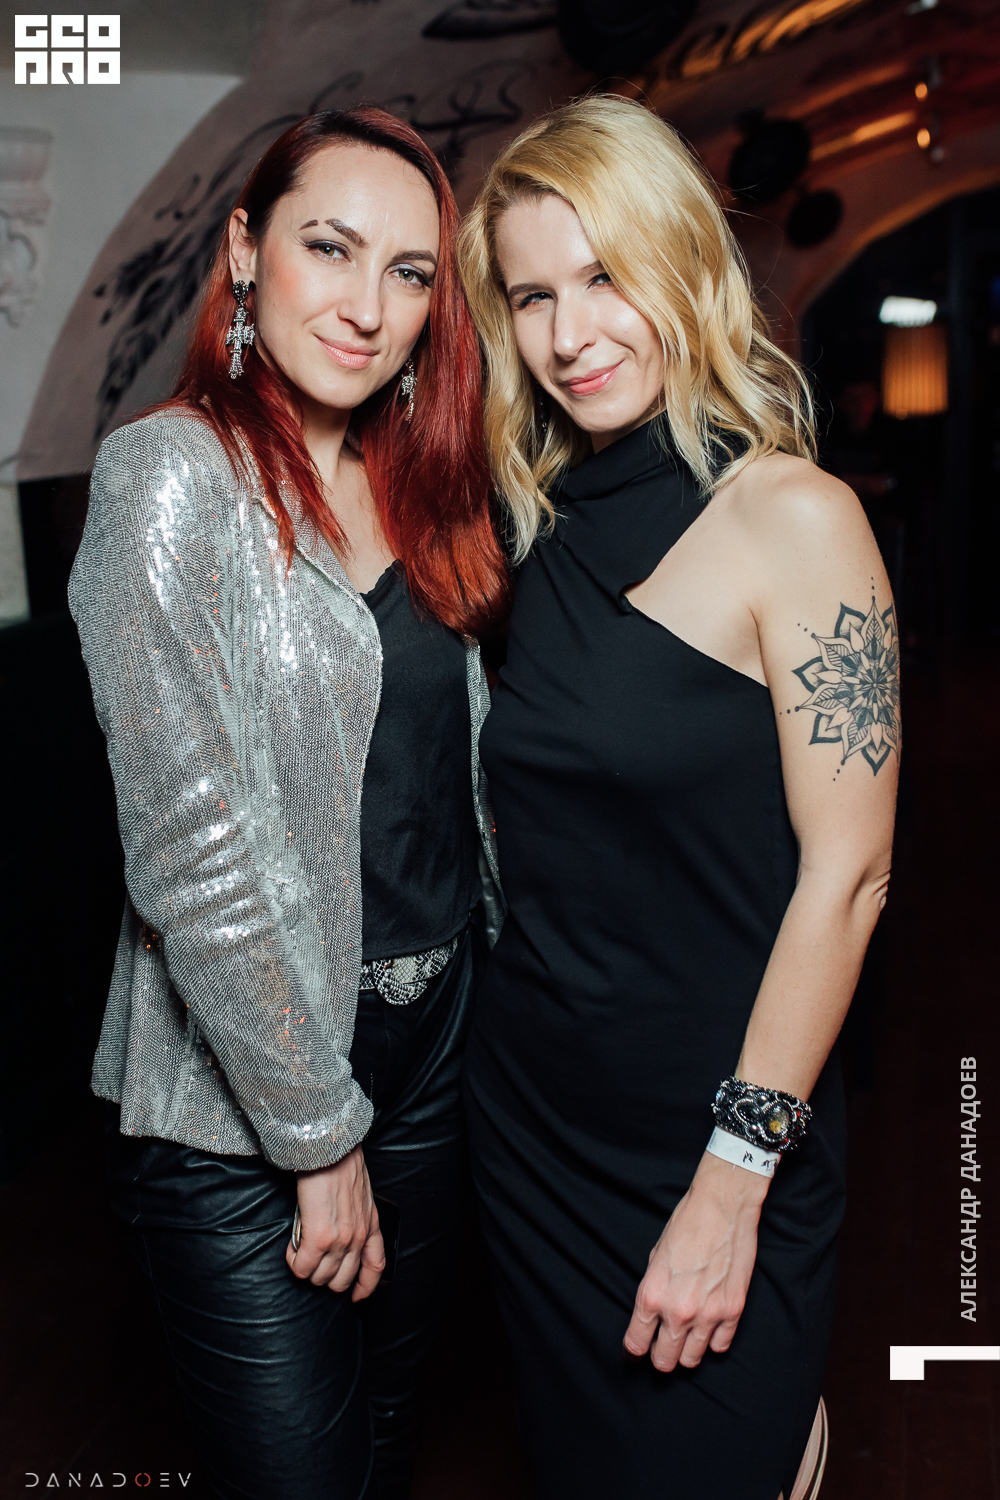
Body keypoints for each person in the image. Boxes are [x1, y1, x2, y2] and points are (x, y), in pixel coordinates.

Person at [458, 95, 898, 1500]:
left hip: (721, 1131)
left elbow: (851, 878)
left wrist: (733, 1178)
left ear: (685, 264)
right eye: (532, 295)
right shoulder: (531, 527)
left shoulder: (795, 518)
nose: (570, 333)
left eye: (606, 276)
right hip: (535, 1127)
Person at [69, 106, 508, 1500]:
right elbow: (193, 849)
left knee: (388, 1436)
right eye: (330, 248)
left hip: (435, 1051)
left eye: (408, 272)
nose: (368, 305)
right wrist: (321, 1139)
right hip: (238, 1097)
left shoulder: (425, 485)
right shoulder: (169, 477)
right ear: (246, 252)